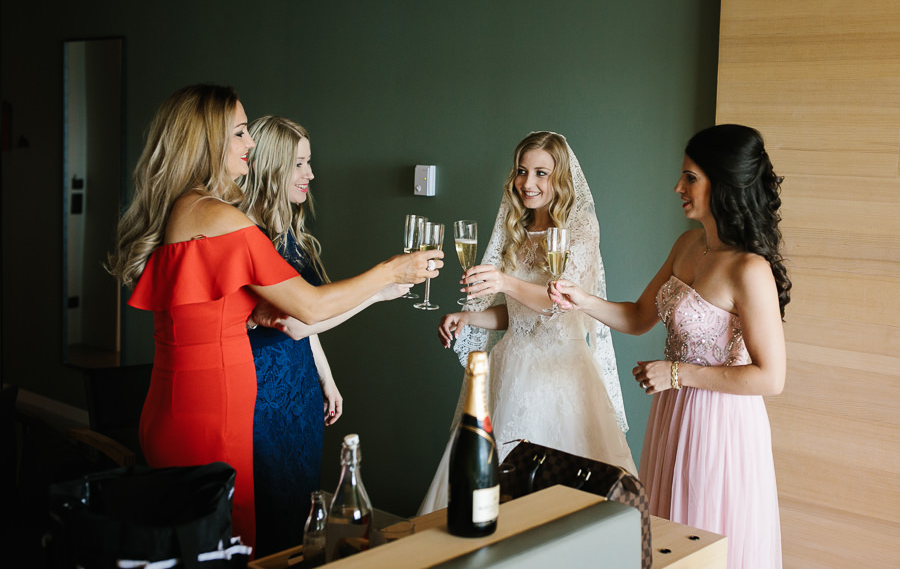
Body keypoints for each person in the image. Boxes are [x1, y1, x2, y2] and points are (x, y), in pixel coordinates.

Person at [107, 84, 443, 553]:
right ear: (208, 141)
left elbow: (212, 308)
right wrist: (391, 270)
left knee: (186, 546)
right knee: (226, 547)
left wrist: (255, 311)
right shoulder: (223, 218)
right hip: (215, 416)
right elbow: (311, 307)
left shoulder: (182, 208)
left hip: (172, 405)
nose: (249, 144)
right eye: (241, 133)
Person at [550, 124, 790, 569]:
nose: (677, 186)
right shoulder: (688, 245)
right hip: (673, 417)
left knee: (704, 540)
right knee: (666, 540)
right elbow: (639, 317)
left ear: (723, 183)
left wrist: (677, 374)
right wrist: (580, 300)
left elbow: (771, 377)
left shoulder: (749, 269)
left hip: (721, 427)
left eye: (691, 177)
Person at [418, 131, 636, 514]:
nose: (527, 183)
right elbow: (517, 312)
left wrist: (502, 281)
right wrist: (470, 317)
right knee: (490, 493)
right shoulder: (515, 228)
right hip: (511, 369)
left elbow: (557, 302)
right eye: (522, 171)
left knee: (566, 501)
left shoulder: (581, 228)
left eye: (541, 173)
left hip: (562, 376)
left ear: (562, 178)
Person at [236, 115, 407, 556]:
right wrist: (377, 294)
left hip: (300, 388)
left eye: (309, 163)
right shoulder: (246, 235)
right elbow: (295, 322)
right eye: (299, 164)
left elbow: (308, 325)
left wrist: (325, 379)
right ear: (272, 167)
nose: (310, 174)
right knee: (269, 505)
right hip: (262, 393)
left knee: (300, 503)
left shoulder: (292, 236)